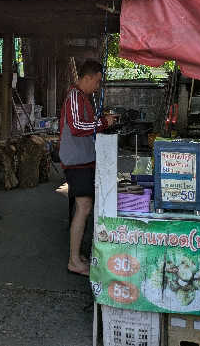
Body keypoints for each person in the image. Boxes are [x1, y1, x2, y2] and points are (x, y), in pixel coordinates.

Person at [59, 59, 116, 276]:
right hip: (76, 162)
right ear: (88, 77)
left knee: (84, 206)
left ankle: (76, 256)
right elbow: (77, 127)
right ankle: (74, 260)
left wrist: (101, 120)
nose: (98, 86)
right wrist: (103, 123)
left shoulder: (83, 98)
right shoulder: (74, 96)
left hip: (84, 160)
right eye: (98, 81)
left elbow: (85, 124)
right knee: (83, 207)